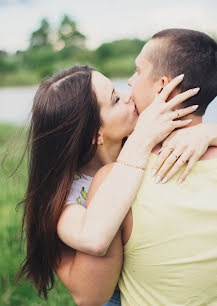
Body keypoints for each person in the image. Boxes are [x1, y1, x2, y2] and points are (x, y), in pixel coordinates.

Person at [16, 42, 217, 305]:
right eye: (114, 99)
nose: (129, 95)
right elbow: (95, 239)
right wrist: (141, 139)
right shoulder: (69, 200)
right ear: (94, 134)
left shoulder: (137, 142)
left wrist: (208, 131)